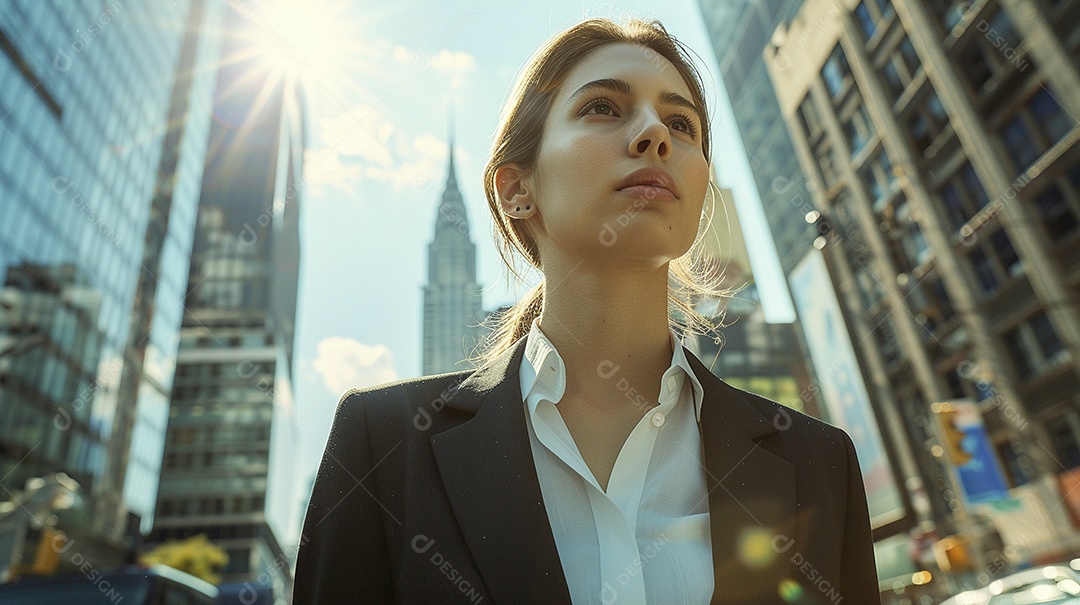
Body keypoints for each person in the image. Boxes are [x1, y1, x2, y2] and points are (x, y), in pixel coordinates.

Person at [293, 17, 879, 605]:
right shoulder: (385, 446)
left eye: (681, 123)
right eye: (603, 107)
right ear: (514, 188)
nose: (656, 135)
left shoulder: (818, 464)